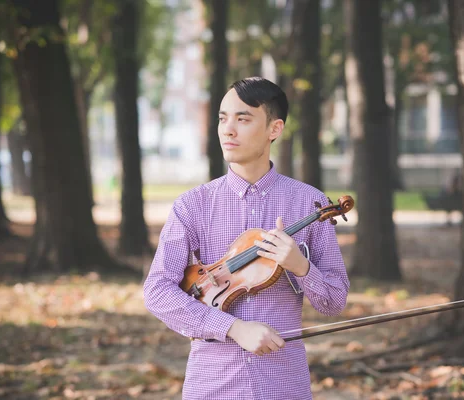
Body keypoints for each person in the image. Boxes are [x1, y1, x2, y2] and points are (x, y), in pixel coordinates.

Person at [143, 77, 350, 400]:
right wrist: (232, 328)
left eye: (243, 119)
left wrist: (301, 266)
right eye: (223, 118)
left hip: (283, 383)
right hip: (212, 383)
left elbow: (334, 301)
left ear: (274, 129)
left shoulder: (310, 203)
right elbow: (158, 291)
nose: (228, 129)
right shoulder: (193, 205)